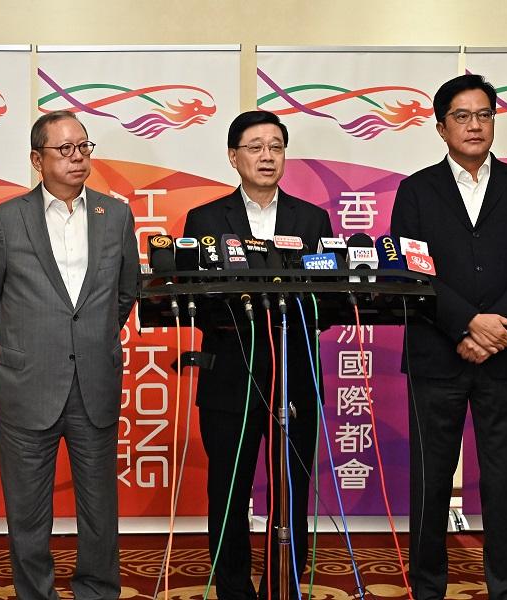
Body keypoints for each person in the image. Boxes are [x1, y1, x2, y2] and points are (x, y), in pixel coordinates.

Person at [390, 74, 507, 600]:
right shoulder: (415, 190)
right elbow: (412, 273)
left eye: (484, 115)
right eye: (462, 116)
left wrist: (494, 327)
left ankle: (504, 587)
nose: (475, 125)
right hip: (438, 355)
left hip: (503, 356)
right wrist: (466, 324)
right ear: (440, 127)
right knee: (430, 482)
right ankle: (428, 587)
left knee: (503, 481)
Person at [0, 110, 138, 600]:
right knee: (27, 513)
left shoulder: (116, 215)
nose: (77, 157)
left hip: (94, 383)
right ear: (35, 159)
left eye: (83, 147)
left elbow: (126, 293)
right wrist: (22, 350)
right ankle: (35, 594)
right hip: (27, 387)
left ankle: (97, 591)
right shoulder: (6, 219)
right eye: (64, 149)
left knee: (99, 510)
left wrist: (91, 340)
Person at [182, 110, 333, 600]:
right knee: (229, 492)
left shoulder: (311, 220)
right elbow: (197, 303)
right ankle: (233, 591)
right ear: (233, 156)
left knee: (291, 494)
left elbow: (326, 302)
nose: (267, 156)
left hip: (296, 377)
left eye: (276, 146)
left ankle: (283, 586)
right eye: (255, 146)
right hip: (231, 376)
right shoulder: (205, 221)